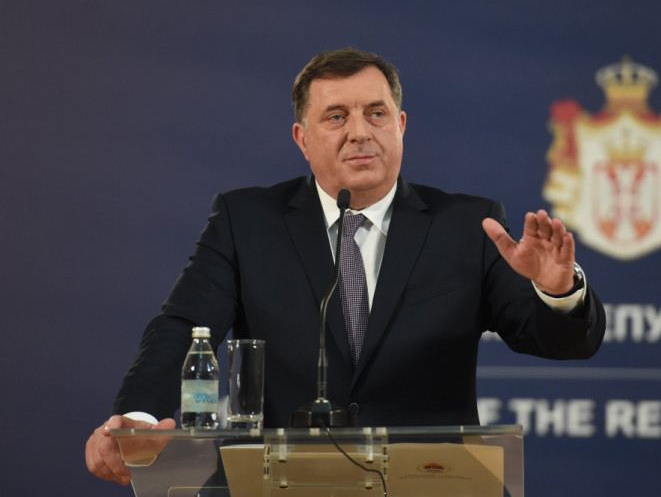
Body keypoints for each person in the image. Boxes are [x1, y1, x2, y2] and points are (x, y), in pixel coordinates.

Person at [86, 48, 606, 486]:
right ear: (302, 138)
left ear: (400, 126)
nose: (359, 132)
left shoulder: (469, 225)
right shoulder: (246, 221)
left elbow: (561, 341)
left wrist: (558, 291)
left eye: (376, 114)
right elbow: (182, 325)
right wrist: (137, 419)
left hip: (429, 485)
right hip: (279, 486)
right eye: (336, 117)